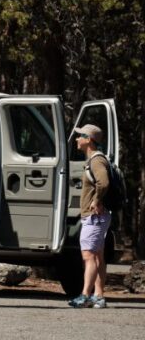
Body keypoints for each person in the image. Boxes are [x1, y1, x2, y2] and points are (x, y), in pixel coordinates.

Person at [68, 124, 111, 309]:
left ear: (88, 139)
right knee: (98, 256)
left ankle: (85, 295)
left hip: (94, 216)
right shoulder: (95, 159)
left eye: (80, 136)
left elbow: (104, 182)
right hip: (98, 217)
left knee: (88, 255)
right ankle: (98, 296)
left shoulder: (96, 160)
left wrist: (96, 200)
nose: (77, 139)